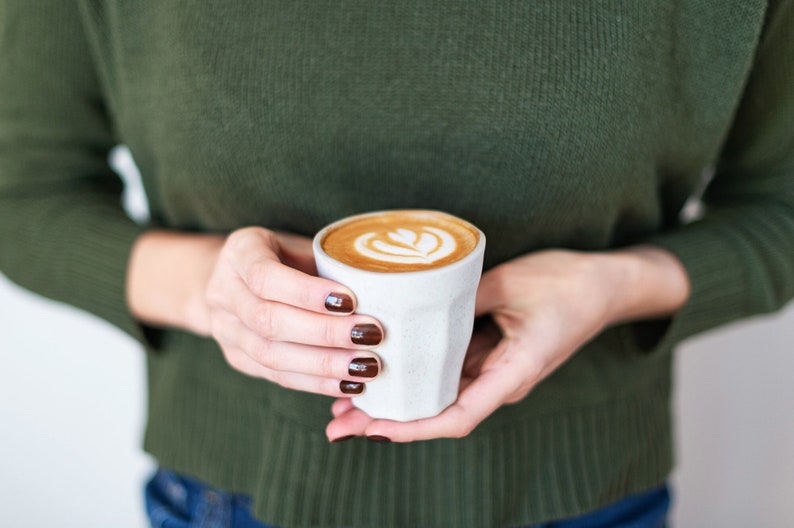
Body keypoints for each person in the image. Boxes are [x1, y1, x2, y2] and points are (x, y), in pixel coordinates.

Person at [1, 1, 792, 527]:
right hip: (231, 495)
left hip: (585, 495)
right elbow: (22, 192)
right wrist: (215, 292)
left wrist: (617, 286)